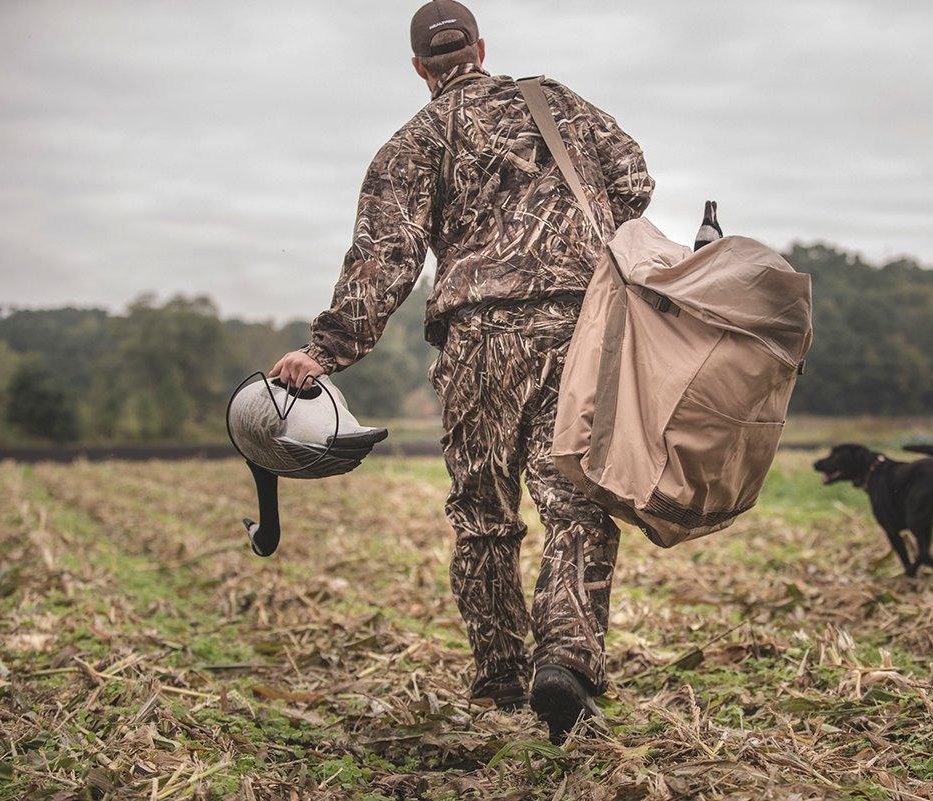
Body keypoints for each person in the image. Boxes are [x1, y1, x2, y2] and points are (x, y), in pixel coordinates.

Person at [270, 0, 654, 742]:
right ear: (481, 47)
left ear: (420, 68)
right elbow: (633, 177)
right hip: (581, 326)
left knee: (483, 512)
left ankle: (502, 677)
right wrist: (579, 236)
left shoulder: (414, 142)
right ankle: (568, 657)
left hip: (478, 337)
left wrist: (325, 350)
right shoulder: (557, 103)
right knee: (573, 497)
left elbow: (386, 258)